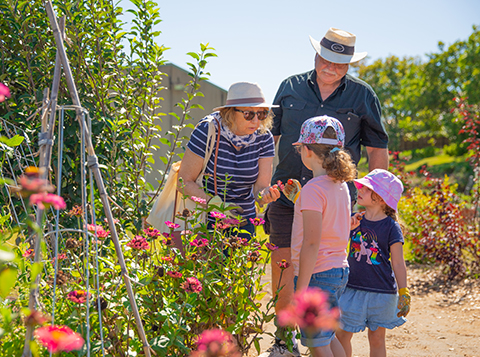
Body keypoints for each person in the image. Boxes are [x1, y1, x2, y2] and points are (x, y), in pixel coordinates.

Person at [262, 27, 389, 356]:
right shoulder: (289, 87)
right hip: (285, 193)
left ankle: (313, 335)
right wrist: (262, 187)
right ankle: (283, 340)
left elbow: (377, 149)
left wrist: (377, 200)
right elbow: (269, 140)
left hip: (333, 195)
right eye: (325, 59)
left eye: (339, 62)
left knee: (320, 264)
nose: (330, 67)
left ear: (349, 64)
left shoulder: (363, 95)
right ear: (316, 55)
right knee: (284, 267)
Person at [177, 82, 281, 237]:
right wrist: (217, 206)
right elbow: (183, 182)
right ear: (230, 112)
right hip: (205, 219)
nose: (256, 121)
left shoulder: (264, 138)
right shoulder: (208, 130)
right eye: (248, 114)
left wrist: (266, 195)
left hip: (244, 221)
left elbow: (260, 188)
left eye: (262, 114)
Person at [290, 116, 356, 357]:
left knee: (317, 345)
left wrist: (302, 290)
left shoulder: (313, 190)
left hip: (317, 274)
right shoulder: (341, 186)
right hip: (338, 271)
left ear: (306, 150)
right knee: (325, 338)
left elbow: (311, 242)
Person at [336, 169, 410, 357]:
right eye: (361, 186)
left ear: (381, 198)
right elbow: (336, 243)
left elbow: (399, 263)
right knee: (341, 336)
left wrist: (404, 291)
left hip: (382, 294)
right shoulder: (354, 219)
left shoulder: (391, 227)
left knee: (376, 340)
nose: (359, 189)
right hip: (351, 290)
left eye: (366, 188)